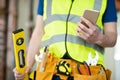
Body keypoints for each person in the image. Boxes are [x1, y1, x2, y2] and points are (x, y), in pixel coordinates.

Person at [13, 0, 117, 80]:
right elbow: (39, 32)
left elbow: (112, 38)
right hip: (48, 72)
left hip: (87, 73)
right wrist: (26, 67)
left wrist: (98, 37)